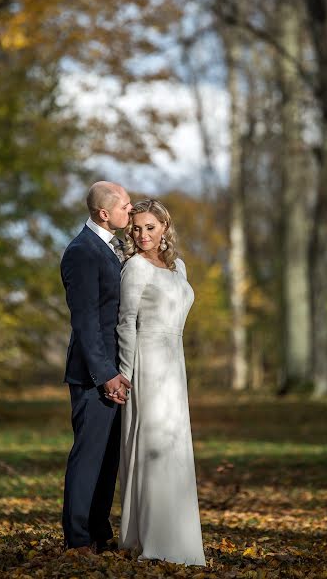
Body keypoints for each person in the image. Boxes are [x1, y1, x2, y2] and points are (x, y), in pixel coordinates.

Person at [117, 198, 206, 566]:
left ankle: (180, 537)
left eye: (150, 227)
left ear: (164, 228)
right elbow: (126, 322)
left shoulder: (178, 267)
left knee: (174, 446)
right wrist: (125, 372)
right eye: (136, 228)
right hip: (147, 362)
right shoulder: (134, 267)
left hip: (174, 361)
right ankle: (155, 538)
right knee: (154, 445)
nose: (142, 235)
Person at [60, 181, 132, 553]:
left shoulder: (111, 247)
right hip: (93, 374)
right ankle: (78, 539)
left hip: (116, 372)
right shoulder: (82, 252)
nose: (131, 212)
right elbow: (85, 320)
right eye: (126, 206)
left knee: (107, 460)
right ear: (105, 213)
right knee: (88, 457)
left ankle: (99, 531)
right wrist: (105, 375)